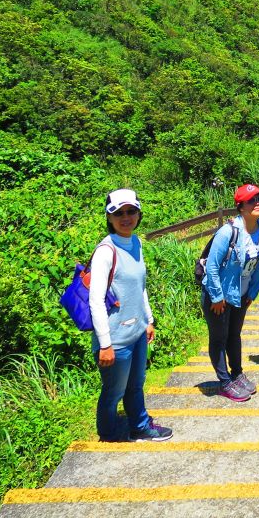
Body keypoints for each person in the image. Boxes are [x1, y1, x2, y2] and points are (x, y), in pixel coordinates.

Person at [90, 188, 172, 442]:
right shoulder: (106, 251)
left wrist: (148, 320)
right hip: (115, 339)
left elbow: (140, 287)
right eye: (119, 213)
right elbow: (95, 301)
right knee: (114, 392)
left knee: (136, 385)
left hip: (136, 332)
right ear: (109, 218)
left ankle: (139, 426)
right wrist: (105, 344)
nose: (126, 218)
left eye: (131, 211)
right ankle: (109, 434)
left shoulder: (135, 242)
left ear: (139, 214)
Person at [202, 183, 259, 402]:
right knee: (219, 338)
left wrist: (253, 292)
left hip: (241, 295)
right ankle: (224, 382)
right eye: (252, 200)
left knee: (234, 335)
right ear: (241, 207)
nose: (258, 203)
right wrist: (217, 297)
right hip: (219, 297)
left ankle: (237, 373)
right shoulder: (227, 231)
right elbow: (212, 266)